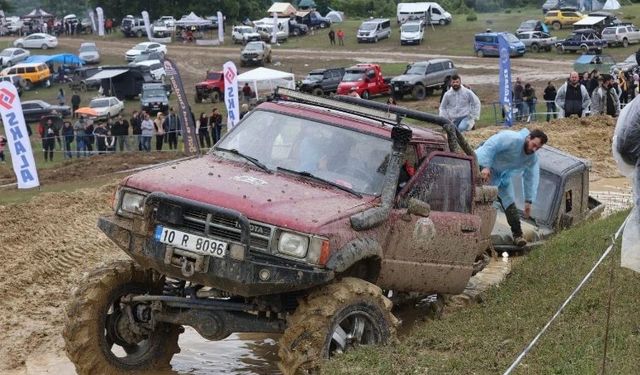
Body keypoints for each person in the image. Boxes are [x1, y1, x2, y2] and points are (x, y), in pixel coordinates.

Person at [476, 128, 548, 247]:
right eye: (533, 145)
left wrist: (528, 201)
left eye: (538, 148)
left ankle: (518, 235)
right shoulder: (512, 138)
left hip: (501, 176)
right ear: (528, 138)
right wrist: (485, 166)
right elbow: (491, 144)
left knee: (509, 202)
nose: (534, 149)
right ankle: (471, 230)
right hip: (482, 166)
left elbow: (530, 178)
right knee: (478, 198)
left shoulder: (532, 159)